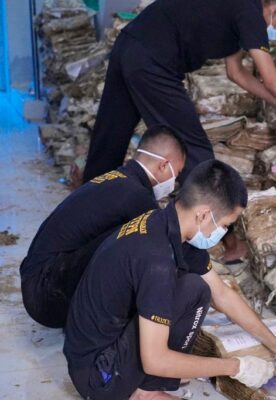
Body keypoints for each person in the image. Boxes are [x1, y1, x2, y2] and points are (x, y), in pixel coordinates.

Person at [64, 160, 276, 400]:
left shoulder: (169, 223)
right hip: (97, 376)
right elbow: (155, 360)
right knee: (180, 305)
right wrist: (237, 367)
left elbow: (222, 294)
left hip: (97, 345)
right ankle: (144, 392)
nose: (223, 232)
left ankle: (149, 384)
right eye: (225, 225)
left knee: (196, 289)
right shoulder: (156, 260)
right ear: (204, 214)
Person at [81, 0, 276, 185]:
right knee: (193, 150)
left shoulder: (239, 9)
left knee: (111, 134)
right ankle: (204, 224)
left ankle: (89, 208)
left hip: (130, 44)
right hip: (155, 61)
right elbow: (271, 78)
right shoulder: (251, 13)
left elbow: (236, 72)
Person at [20, 125, 191, 329]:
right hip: (47, 296)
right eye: (176, 174)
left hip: (36, 281)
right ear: (164, 165)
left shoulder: (119, 179)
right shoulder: (137, 196)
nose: (173, 182)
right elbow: (170, 252)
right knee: (141, 240)